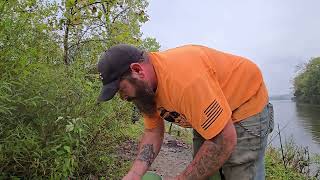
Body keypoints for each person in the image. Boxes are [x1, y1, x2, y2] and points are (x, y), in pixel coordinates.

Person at [97, 44, 274, 180]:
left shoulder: (184, 82)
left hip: (244, 103)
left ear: (137, 70)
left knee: (238, 170)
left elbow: (222, 139)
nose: (123, 97)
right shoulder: (143, 90)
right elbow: (152, 131)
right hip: (205, 107)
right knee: (205, 169)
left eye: (121, 89)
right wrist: (135, 174)